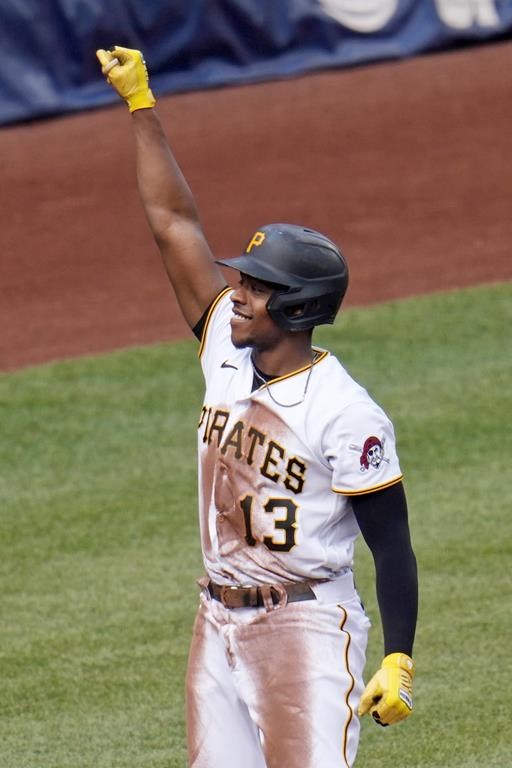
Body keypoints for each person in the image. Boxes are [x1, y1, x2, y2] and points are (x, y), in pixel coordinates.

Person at [96, 46, 418, 768]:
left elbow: (391, 542)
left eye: (257, 286)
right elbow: (172, 223)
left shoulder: (345, 412)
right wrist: (141, 106)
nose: (237, 292)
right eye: (240, 280)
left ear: (298, 306)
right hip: (216, 620)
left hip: (305, 627)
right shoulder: (223, 349)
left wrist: (400, 655)